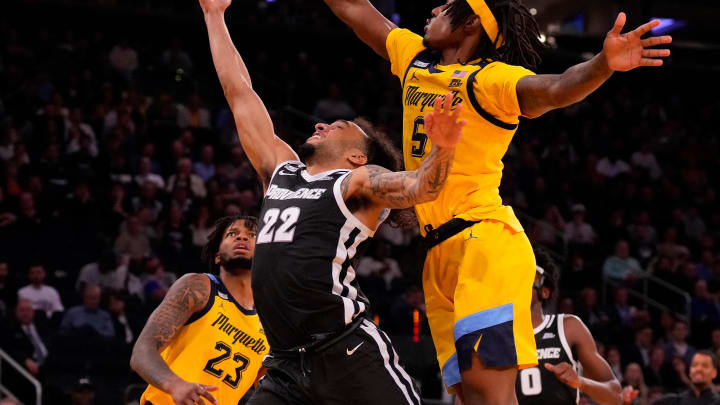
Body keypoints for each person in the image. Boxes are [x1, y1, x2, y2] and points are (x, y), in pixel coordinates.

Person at [322, 0, 672, 402]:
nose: (433, 8)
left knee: (490, 397)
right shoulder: (415, 57)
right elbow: (355, 10)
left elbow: (556, 88)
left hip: (483, 242)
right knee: (469, 397)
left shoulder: (490, 80)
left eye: (447, 6)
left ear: (471, 22)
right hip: (437, 254)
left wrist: (602, 65)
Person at [199, 0, 465, 404]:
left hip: (346, 353)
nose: (321, 124)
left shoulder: (357, 183)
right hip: (286, 364)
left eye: (338, 126)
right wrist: (214, 15)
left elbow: (420, 188)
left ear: (358, 155)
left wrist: (443, 150)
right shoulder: (281, 172)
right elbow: (239, 93)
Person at [131, 215, 267, 405]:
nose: (242, 238)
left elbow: (268, 387)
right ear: (218, 255)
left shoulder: (270, 321)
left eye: (252, 235)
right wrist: (175, 384)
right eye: (232, 234)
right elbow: (142, 353)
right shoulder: (199, 287)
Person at [514, 248, 622, 405]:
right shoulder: (497, 336)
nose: (520, 282)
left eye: (528, 276)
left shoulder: (567, 327)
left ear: (545, 291)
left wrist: (580, 382)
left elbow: (615, 396)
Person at [652, 351, 720, 405]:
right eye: (695, 365)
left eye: (705, 366)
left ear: (714, 373)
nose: (698, 369)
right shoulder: (673, 401)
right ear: (690, 371)